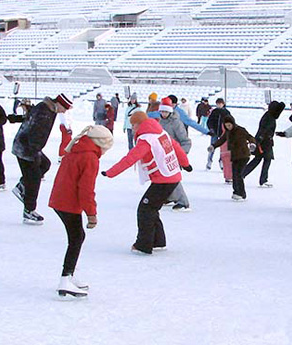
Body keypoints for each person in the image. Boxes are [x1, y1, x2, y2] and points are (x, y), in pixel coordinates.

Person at [102, 111, 191, 254]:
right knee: (151, 208)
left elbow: (130, 158)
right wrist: (185, 164)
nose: (133, 129)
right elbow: (175, 147)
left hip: (164, 179)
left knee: (145, 209)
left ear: (138, 124)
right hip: (171, 176)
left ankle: (143, 245)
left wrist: (111, 172)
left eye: (133, 125)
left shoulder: (146, 139)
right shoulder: (160, 132)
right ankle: (158, 242)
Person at [49, 125, 114, 298]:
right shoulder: (90, 157)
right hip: (68, 202)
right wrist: (91, 214)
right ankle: (65, 279)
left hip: (60, 199)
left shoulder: (77, 148)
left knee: (77, 236)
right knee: (77, 237)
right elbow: (86, 189)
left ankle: (70, 275)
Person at [12, 93, 73, 225]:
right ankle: (29, 211)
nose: (64, 111)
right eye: (65, 108)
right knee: (33, 179)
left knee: (45, 164)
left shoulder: (48, 108)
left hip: (29, 146)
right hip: (26, 148)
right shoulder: (44, 112)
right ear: (59, 104)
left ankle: (22, 186)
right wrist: (34, 153)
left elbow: (29, 118)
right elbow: (34, 131)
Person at [209, 114, 256, 201]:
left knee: (238, 174)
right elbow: (221, 140)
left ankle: (241, 193)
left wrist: (252, 144)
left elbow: (250, 137)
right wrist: (213, 146)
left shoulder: (240, 130)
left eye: (229, 125)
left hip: (243, 155)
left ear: (233, 123)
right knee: (234, 174)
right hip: (235, 156)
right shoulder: (227, 132)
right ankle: (236, 192)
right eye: (226, 126)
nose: (228, 127)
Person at [158, 97, 192, 212]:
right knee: (162, 177)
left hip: (175, 155)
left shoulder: (176, 123)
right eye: (162, 111)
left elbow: (185, 141)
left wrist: (181, 155)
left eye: (166, 112)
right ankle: (168, 197)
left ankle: (183, 202)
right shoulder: (160, 122)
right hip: (163, 155)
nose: (163, 114)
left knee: (173, 179)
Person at [243, 101, 285, 188]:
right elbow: (263, 130)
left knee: (259, 159)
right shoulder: (269, 118)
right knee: (265, 159)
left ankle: (242, 174)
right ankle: (262, 180)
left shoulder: (268, 116)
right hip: (265, 143)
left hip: (265, 142)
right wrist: (259, 140)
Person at [206, 98, 230, 170]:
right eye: (218, 103)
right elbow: (209, 121)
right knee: (212, 147)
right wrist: (211, 129)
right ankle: (209, 161)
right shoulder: (214, 112)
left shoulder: (226, 112)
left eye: (220, 103)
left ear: (223, 104)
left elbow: (230, 122)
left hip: (223, 134)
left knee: (223, 149)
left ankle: (221, 161)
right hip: (215, 132)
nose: (219, 105)